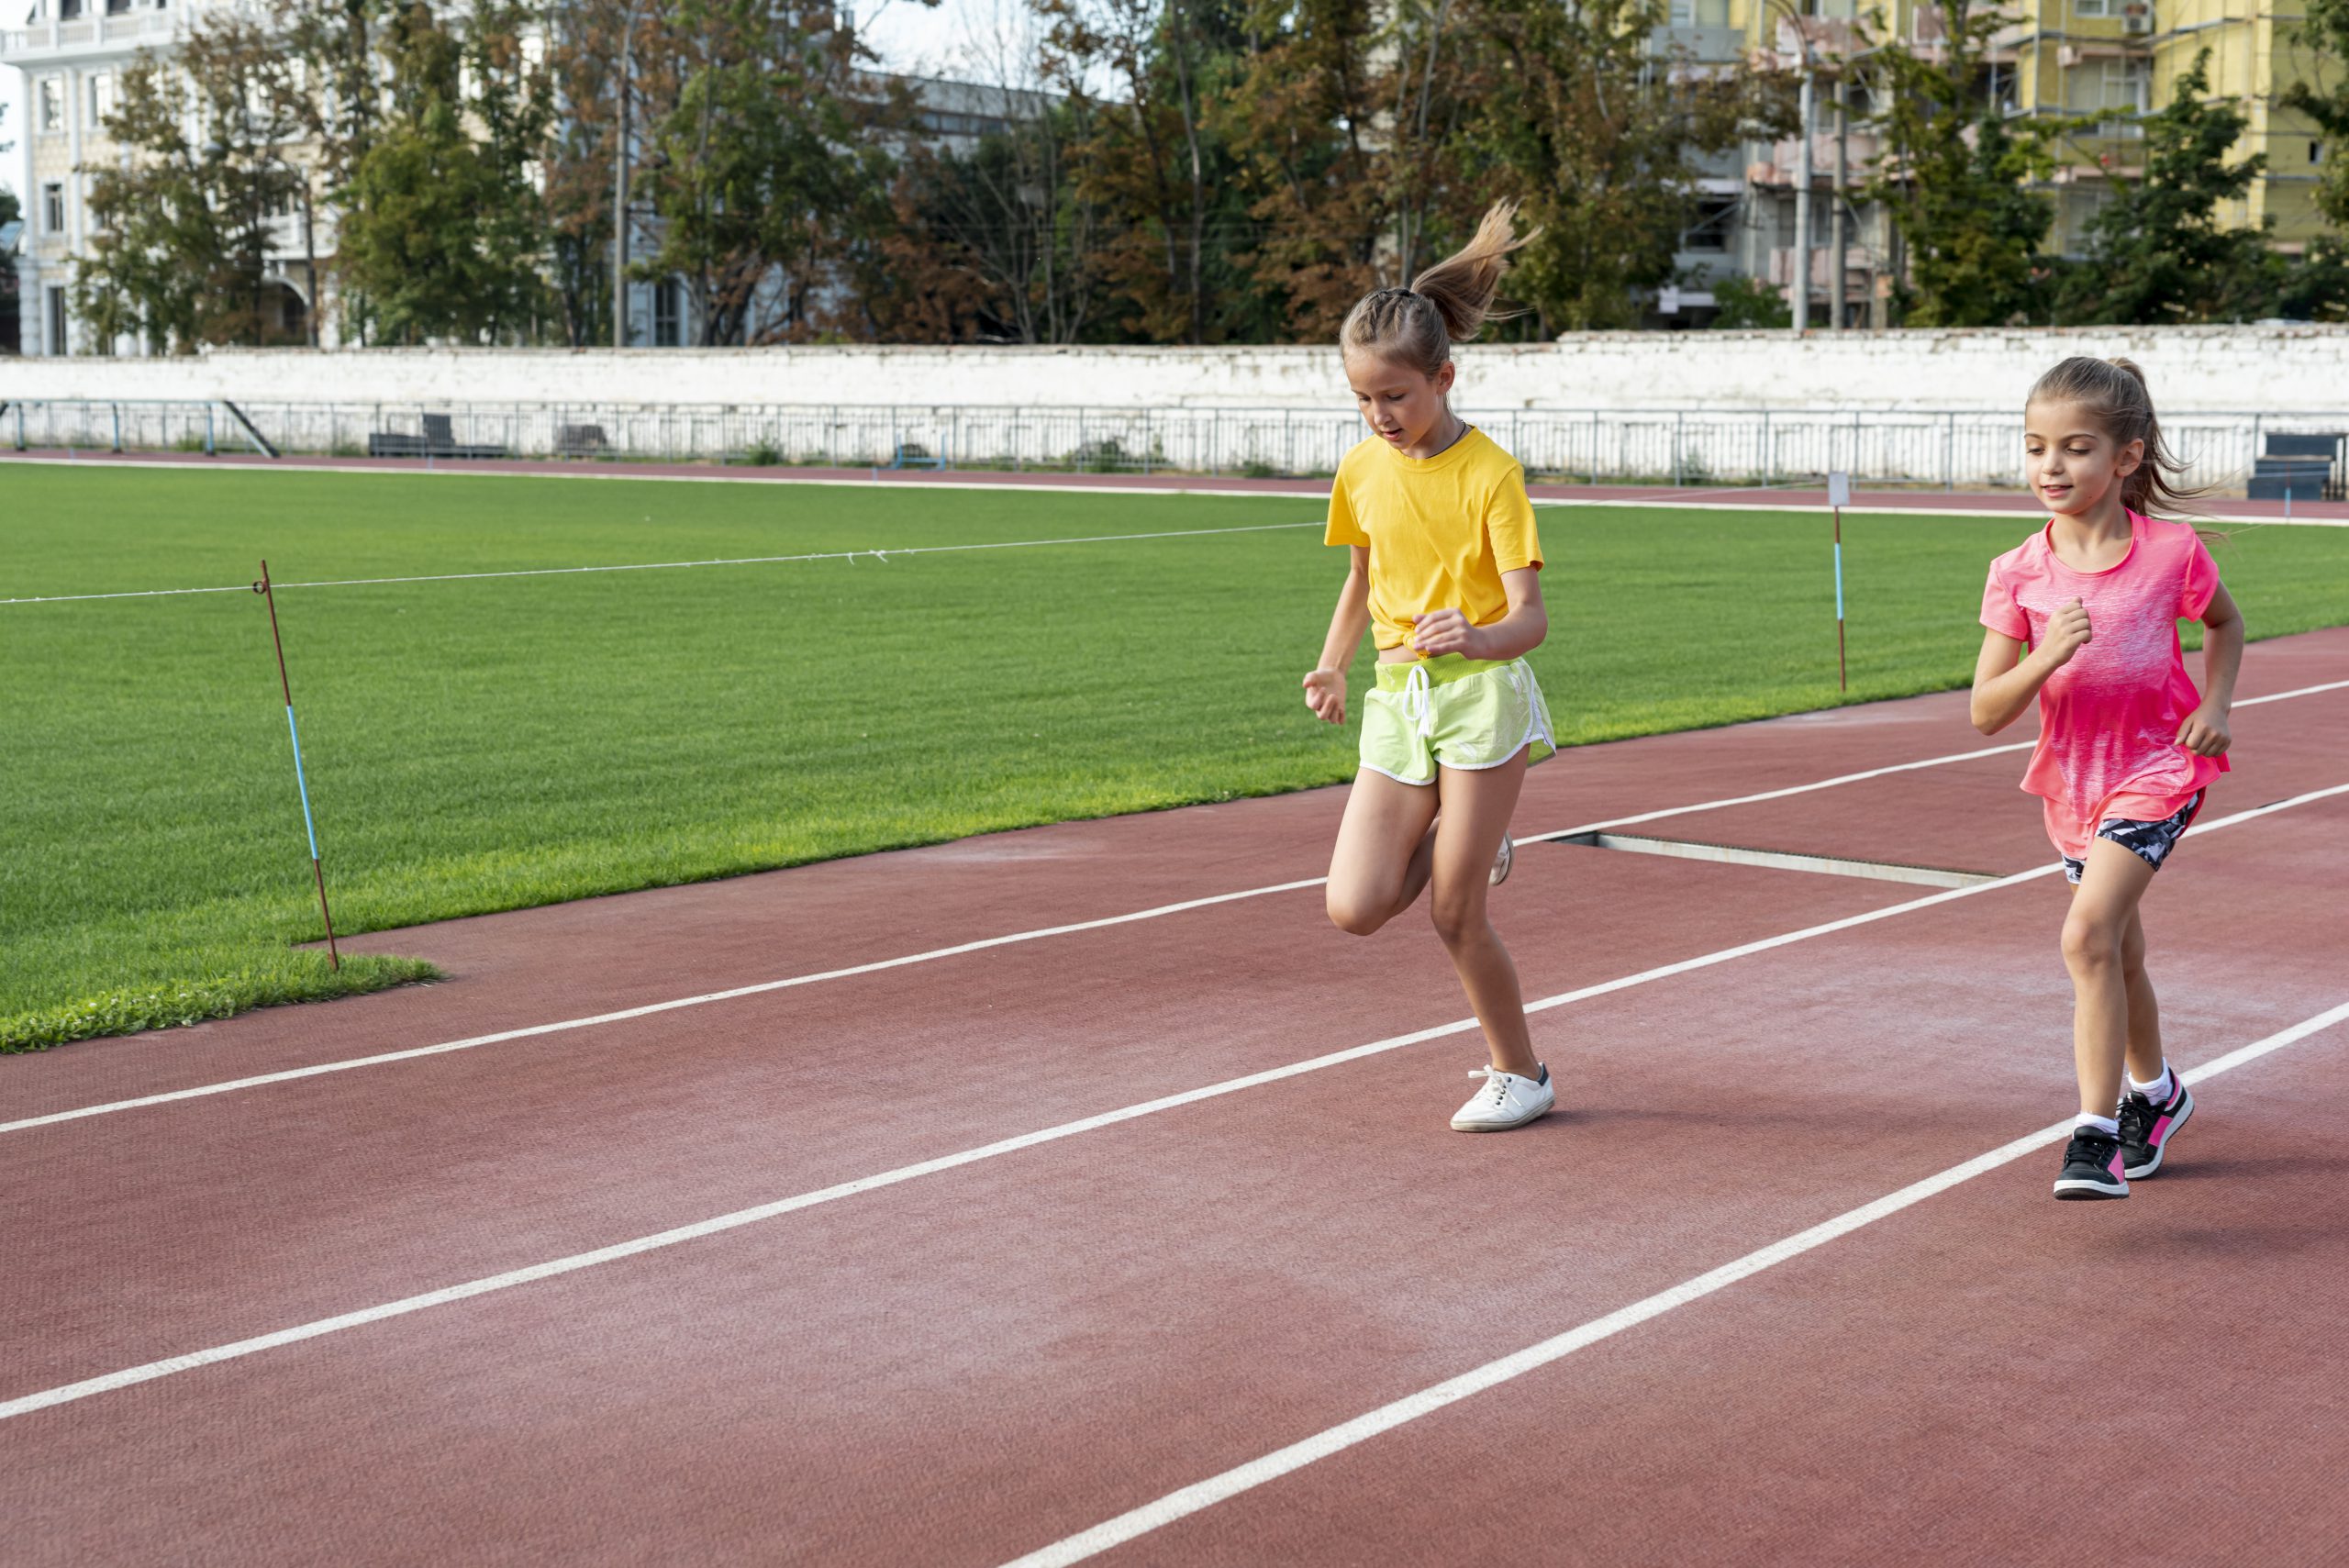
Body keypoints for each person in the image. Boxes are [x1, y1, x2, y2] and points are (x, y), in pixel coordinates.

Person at [1304, 201, 1560, 1133]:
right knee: (1355, 905)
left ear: (1442, 377)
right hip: (1397, 699)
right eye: (1363, 399)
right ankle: (1469, 825)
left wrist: (1477, 637)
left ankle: (1520, 1071)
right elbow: (1361, 576)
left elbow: (1529, 619)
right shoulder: (1361, 469)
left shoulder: (1491, 474)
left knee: (1453, 912)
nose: (1379, 415)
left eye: (1396, 397)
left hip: (1484, 699)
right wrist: (1333, 664)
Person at [1970, 356, 2243, 1199]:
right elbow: (1985, 710)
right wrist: (2046, 653)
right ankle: (2158, 1094)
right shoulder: (2018, 570)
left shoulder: (2170, 553)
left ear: (2125, 458)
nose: (2051, 467)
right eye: (2035, 447)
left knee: (2085, 936)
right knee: (2117, 950)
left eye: (2075, 448)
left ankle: (2094, 1137)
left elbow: (2225, 624)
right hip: (2074, 786)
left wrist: (2219, 705)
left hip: (2162, 767)